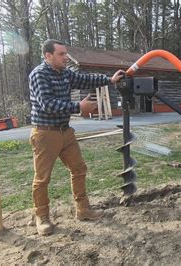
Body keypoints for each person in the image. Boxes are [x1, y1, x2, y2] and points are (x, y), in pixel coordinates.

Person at [29, 39, 125, 236]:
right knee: (42, 178)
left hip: (65, 131)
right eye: (61, 54)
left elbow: (85, 79)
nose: (66, 57)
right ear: (48, 56)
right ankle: (42, 217)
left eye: (65, 53)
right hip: (46, 133)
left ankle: (82, 209)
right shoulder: (39, 75)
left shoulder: (65, 73)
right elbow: (48, 104)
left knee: (79, 168)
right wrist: (78, 107)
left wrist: (110, 80)